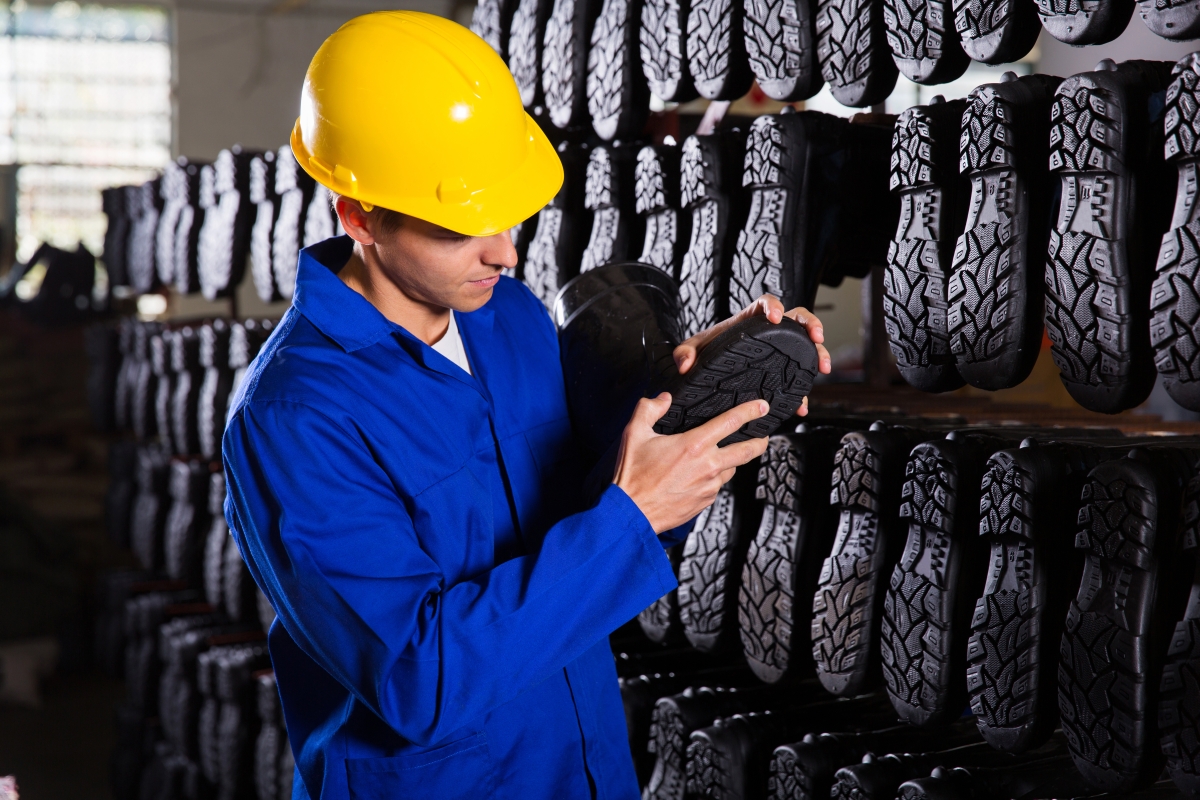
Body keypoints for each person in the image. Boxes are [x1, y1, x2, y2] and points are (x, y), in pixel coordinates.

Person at [222, 11, 832, 800]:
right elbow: (418, 680)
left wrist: (687, 402)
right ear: (359, 216)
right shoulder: (296, 419)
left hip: (582, 765)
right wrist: (631, 518)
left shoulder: (505, 317)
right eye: (460, 228)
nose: (506, 251)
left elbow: (583, 504)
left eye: (507, 212)